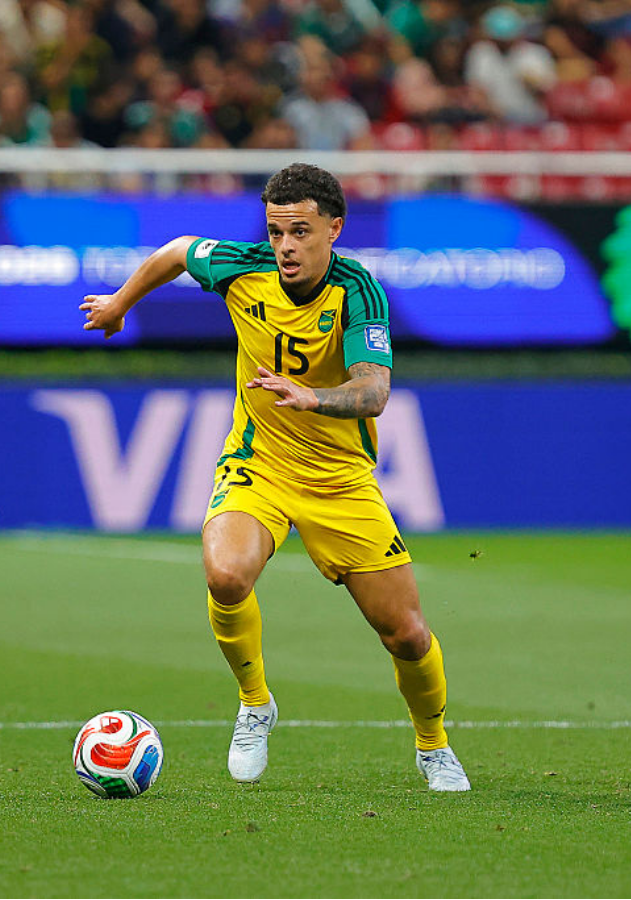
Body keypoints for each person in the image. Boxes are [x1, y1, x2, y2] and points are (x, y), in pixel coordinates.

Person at [79, 163, 470, 792]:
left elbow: (374, 391)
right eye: (276, 230)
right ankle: (255, 704)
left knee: (405, 632)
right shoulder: (242, 266)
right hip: (257, 463)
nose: (285, 245)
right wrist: (122, 304)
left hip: (340, 479)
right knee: (225, 574)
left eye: (300, 231)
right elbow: (178, 251)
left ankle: (433, 745)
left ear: (333, 229)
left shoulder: (358, 292)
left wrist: (315, 399)